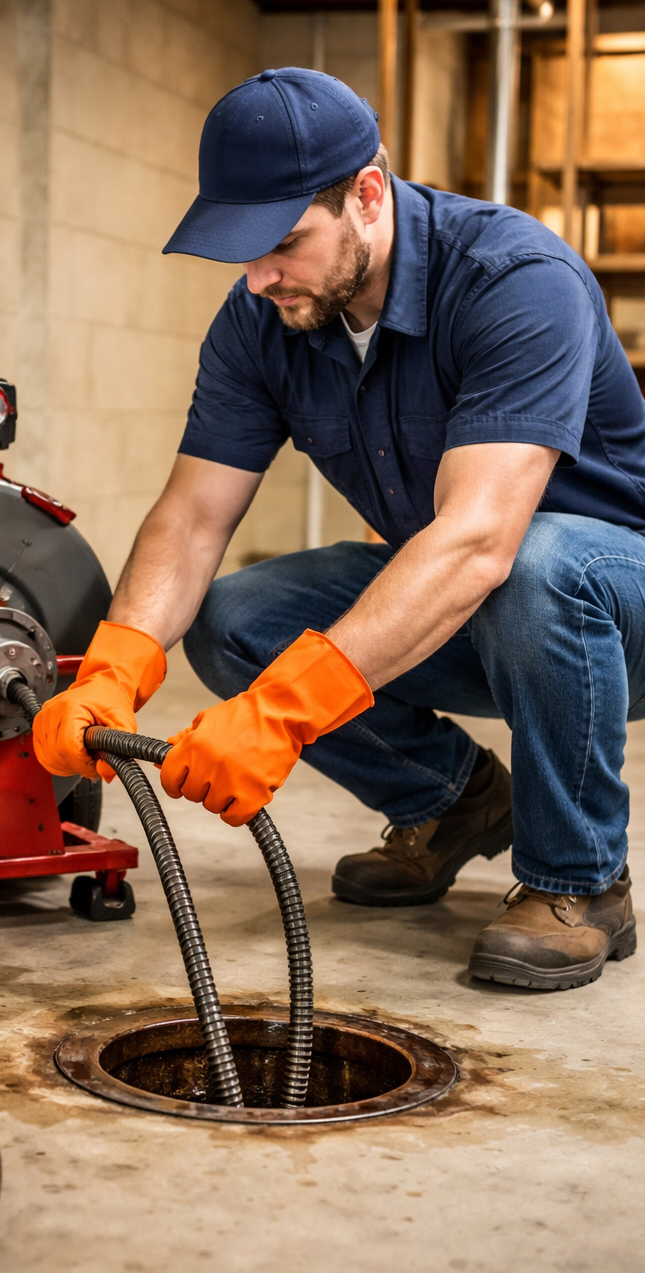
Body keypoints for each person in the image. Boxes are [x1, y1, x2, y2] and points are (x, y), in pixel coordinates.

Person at [33, 66, 645, 993]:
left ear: (367, 194)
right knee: (236, 614)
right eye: (240, 249)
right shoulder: (264, 317)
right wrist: (116, 663)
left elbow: (480, 539)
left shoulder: (514, 280)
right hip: (477, 602)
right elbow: (194, 514)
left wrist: (284, 712)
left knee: (532, 563)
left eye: (282, 243)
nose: (257, 276)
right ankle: (454, 805)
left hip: (609, 611)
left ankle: (581, 882)